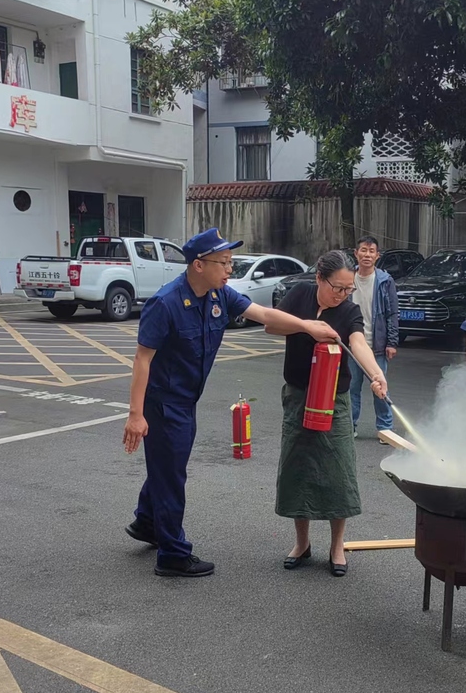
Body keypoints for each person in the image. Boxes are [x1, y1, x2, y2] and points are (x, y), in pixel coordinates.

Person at [122, 228, 338, 578]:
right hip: (163, 403)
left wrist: (306, 326)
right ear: (197, 265)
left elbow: (265, 316)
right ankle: (173, 555)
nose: (229, 270)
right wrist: (136, 415)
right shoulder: (166, 303)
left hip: (186, 399)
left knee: (167, 467)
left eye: (230, 263)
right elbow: (142, 359)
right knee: (172, 474)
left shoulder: (219, 295)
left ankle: (147, 522)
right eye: (223, 263)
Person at [272, 250, 388, 577]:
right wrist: (309, 327)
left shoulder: (348, 311)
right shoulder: (300, 295)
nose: (342, 295)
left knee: (338, 472)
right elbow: (271, 324)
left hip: (334, 401)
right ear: (319, 279)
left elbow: (359, 343)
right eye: (337, 288)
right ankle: (302, 543)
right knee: (299, 469)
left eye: (348, 289)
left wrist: (376, 374)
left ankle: (337, 546)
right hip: (297, 396)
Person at [348, 235, 399, 443]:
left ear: (377, 256)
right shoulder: (348, 278)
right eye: (363, 250)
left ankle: (385, 429)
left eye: (371, 251)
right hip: (351, 346)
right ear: (356, 253)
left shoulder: (385, 281)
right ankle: (349, 427)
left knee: (380, 387)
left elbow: (392, 313)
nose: (367, 255)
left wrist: (392, 342)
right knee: (351, 389)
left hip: (377, 345)